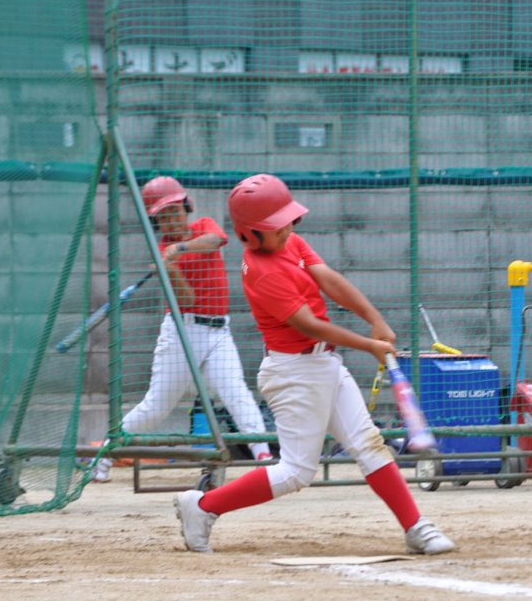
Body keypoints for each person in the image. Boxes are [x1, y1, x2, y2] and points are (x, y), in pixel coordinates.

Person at [172, 173, 455, 555]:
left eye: (287, 220)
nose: (287, 228)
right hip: (294, 374)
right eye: (276, 226)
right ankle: (204, 506)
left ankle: (415, 526)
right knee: (296, 471)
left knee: (369, 444)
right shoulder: (263, 271)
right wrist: (368, 345)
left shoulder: (290, 242)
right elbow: (308, 324)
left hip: (324, 363)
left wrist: (374, 319)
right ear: (249, 234)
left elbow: (329, 280)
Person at [92, 176, 272, 482]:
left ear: (186, 207)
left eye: (174, 211)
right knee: (156, 407)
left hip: (219, 333)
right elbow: (187, 300)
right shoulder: (161, 249)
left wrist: (180, 249)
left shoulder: (203, 227)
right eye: (163, 216)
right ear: (157, 222)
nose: (171, 220)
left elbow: (216, 241)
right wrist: (170, 269)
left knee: (237, 393)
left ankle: (265, 459)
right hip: (182, 333)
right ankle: (104, 455)